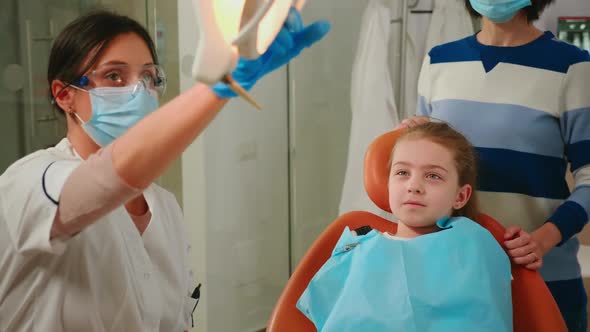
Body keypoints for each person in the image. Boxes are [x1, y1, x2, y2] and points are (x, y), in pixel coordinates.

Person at [0, 9, 330, 331]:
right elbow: (102, 182)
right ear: (64, 95)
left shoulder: (164, 208)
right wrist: (219, 85)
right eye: (114, 76)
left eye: (147, 76)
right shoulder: (29, 182)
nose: (139, 91)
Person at [401, 0, 590, 330]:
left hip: (542, 280)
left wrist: (544, 238)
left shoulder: (572, 66)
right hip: (452, 281)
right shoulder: (439, 60)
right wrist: (409, 140)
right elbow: (427, 166)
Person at [297, 122, 512, 332]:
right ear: (388, 183)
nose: (414, 186)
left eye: (433, 176)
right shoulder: (359, 248)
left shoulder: (475, 245)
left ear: (460, 196)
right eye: (402, 173)